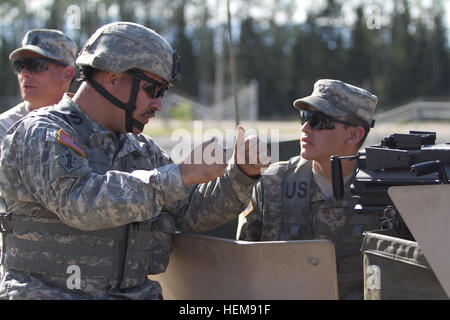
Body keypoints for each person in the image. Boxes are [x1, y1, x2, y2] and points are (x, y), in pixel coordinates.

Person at [0, 22, 269, 300]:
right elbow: (78, 202)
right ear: (113, 78)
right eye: (152, 89)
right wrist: (177, 175)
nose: (158, 104)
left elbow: (191, 210)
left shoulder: (140, 150)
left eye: (162, 92)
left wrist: (241, 174)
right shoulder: (44, 132)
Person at [237, 79, 379, 300]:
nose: (305, 128)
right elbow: (241, 266)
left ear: (353, 135)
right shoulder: (271, 184)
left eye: (318, 121)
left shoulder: (382, 194)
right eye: (304, 117)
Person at [0, 29, 77, 143]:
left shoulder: (90, 125)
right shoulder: (5, 128)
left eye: (35, 64)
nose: (24, 73)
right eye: (19, 65)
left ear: (67, 74)